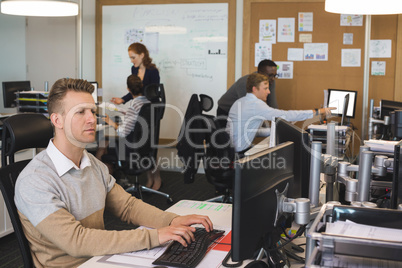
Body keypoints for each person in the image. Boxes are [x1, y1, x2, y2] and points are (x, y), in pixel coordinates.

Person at [14, 78, 213, 268]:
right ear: (57, 120)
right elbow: (76, 241)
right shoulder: (35, 180)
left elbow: (127, 207)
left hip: (101, 259)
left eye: (92, 110)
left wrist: (171, 220)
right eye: (80, 112)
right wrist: (156, 236)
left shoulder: (92, 163)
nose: (92, 119)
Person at [226, 73, 334, 153]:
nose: (269, 92)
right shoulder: (255, 104)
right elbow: (285, 115)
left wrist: (276, 129)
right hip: (240, 154)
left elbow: (249, 130)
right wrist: (317, 111)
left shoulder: (239, 102)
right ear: (255, 89)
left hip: (229, 151)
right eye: (265, 88)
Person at [101, 74, 162, 190]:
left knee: (103, 146)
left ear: (128, 89)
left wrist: (111, 122)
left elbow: (122, 133)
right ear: (142, 86)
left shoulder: (133, 107)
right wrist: (126, 113)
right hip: (146, 146)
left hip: (133, 148)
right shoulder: (148, 104)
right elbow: (138, 119)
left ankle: (106, 189)